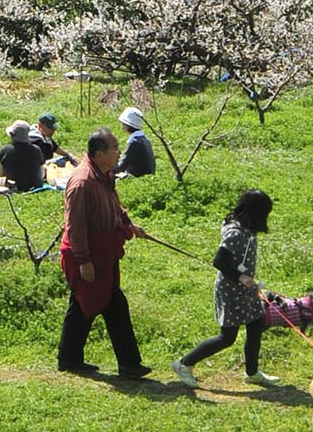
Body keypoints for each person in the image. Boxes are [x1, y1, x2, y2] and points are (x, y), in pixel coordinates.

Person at [57, 127, 152, 379]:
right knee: (101, 304)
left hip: (103, 252)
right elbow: (74, 226)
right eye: (114, 149)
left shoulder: (104, 174)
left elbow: (114, 206)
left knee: (86, 305)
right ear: (99, 154)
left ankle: (70, 358)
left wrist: (128, 224)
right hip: (88, 254)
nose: (118, 152)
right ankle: (127, 364)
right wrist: (84, 261)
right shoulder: (82, 182)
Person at [172, 190, 279, 389]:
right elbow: (219, 260)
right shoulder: (236, 233)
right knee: (227, 337)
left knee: (256, 324)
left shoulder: (247, 228)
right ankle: (184, 364)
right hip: (231, 290)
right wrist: (241, 277)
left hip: (246, 289)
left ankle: (252, 372)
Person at [0, 120, 47, 193]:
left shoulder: (5, 150)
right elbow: (41, 174)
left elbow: (0, 174)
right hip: (32, 185)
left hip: (10, 185)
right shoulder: (36, 150)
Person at [115, 106, 155, 179]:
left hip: (138, 177)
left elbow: (122, 166)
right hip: (145, 177)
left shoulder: (134, 142)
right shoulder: (143, 139)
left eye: (123, 123)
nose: (122, 125)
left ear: (128, 125)